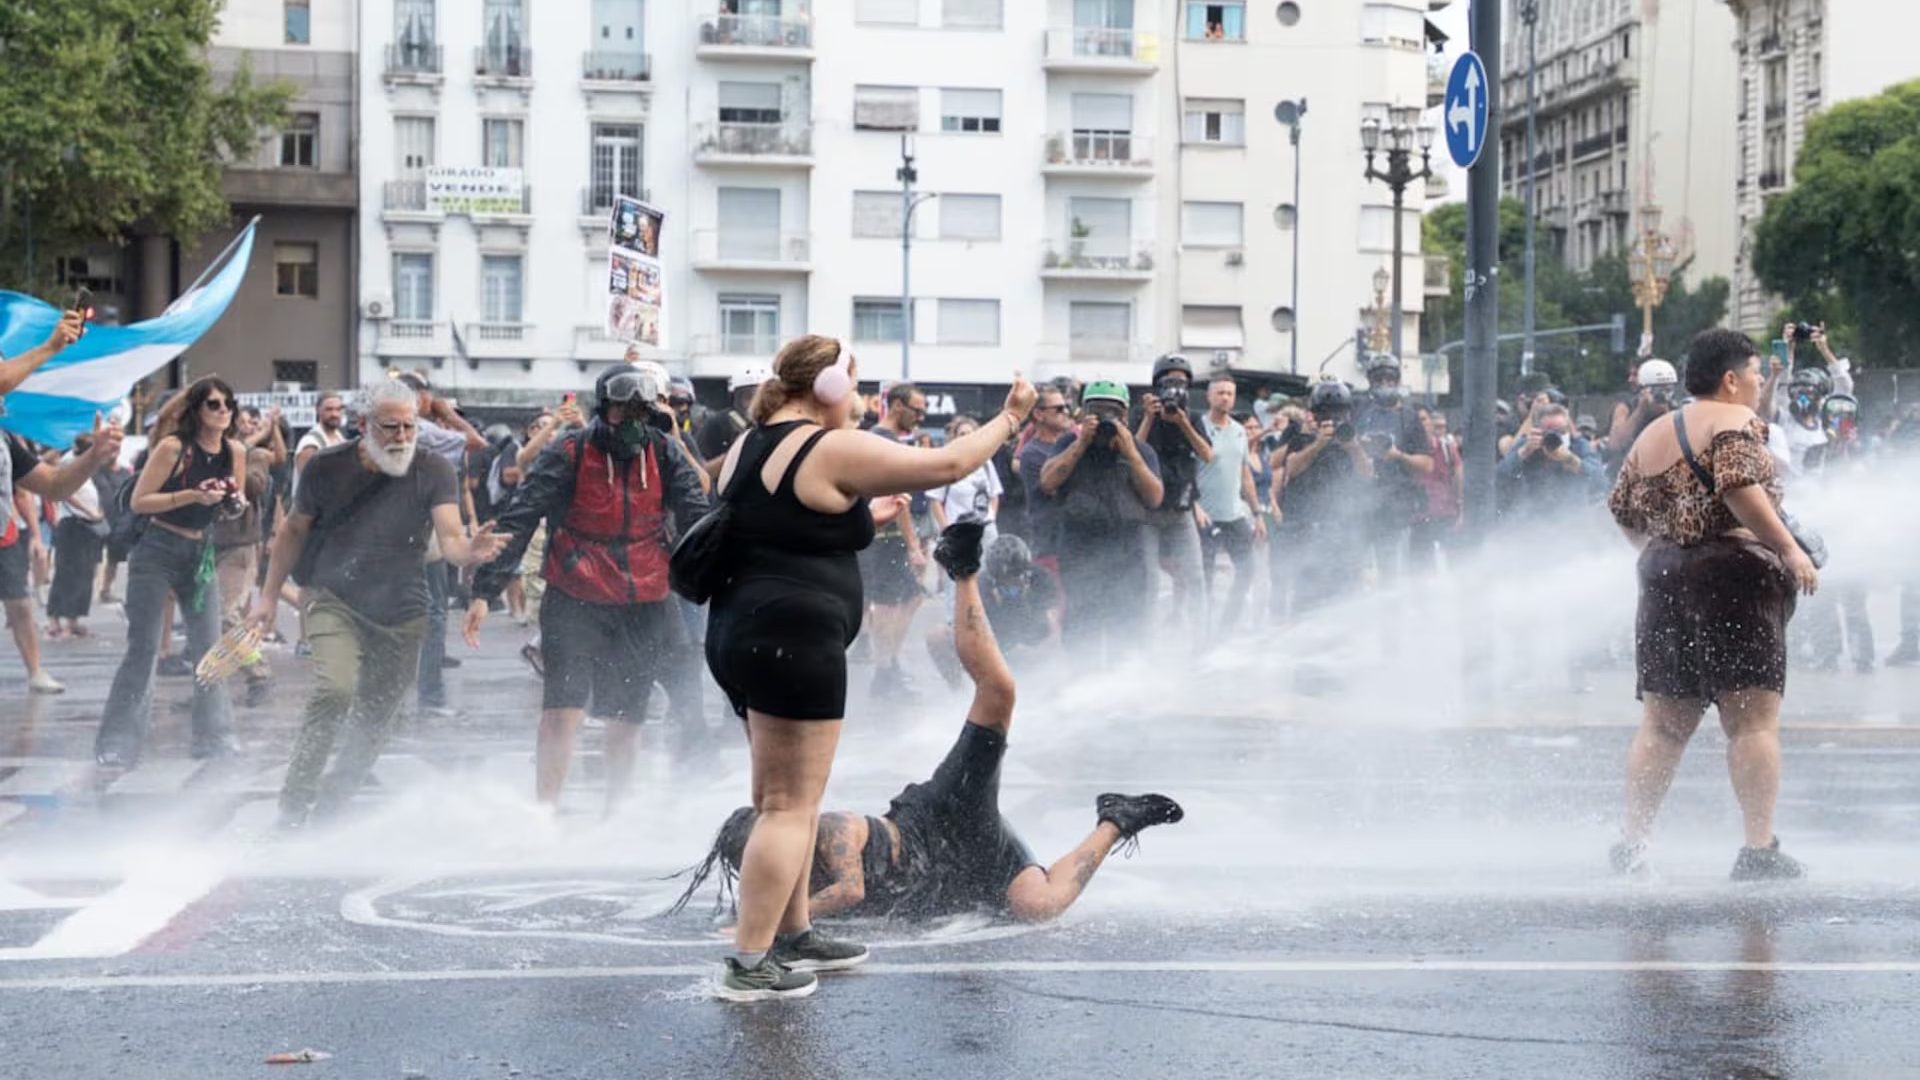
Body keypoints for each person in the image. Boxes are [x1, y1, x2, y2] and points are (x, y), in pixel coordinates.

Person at [703, 334, 1035, 1001]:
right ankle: (748, 965)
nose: (856, 398)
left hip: (742, 631)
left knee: (787, 799)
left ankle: (794, 932)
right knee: (788, 808)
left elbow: (786, 520)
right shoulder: (827, 445)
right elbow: (949, 464)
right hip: (794, 642)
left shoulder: (748, 444)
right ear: (826, 386)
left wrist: (861, 514)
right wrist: (1012, 417)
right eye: (852, 383)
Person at [683, 522, 1180, 947]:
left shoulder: (828, 829)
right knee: (1036, 905)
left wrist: (763, 925)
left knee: (999, 693)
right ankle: (1119, 816)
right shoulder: (794, 884)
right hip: (954, 882)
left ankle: (962, 570)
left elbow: (851, 891)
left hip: (943, 815)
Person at [1606, 328, 1819, 881]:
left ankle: (1631, 844)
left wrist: (1663, 552)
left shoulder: (1653, 431)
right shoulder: (1734, 423)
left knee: (1663, 724)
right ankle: (1757, 851)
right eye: (1753, 373)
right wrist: (1790, 549)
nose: (1756, 383)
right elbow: (1737, 486)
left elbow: (1622, 510)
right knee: (1751, 723)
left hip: (1662, 576)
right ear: (1730, 379)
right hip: (1734, 577)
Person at [249, 380, 505, 829]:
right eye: (391, 428)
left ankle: (329, 811)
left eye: (410, 427)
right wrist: (268, 597)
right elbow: (292, 531)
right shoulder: (324, 467)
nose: (403, 437)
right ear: (364, 425)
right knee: (336, 690)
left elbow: (449, 537)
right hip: (334, 597)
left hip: (403, 609)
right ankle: (293, 806)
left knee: (375, 721)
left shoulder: (434, 469)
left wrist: (469, 552)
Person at [464, 364, 711, 812]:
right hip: (575, 593)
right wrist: (485, 590)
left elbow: (697, 512)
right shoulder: (570, 451)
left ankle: (614, 814)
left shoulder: (664, 451)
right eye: (622, 411)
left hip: (645, 597)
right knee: (563, 708)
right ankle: (544, 810)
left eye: (641, 410)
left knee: (626, 716)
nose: (631, 421)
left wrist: (715, 578)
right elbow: (522, 515)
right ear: (604, 409)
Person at [94, 378, 250, 767]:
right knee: (144, 647)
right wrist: (192, 495)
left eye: (228, 403)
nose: (223, 410)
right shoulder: (173, 447)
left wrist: (232, 503)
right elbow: (140, 500)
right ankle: (116, 740)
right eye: (213, 403)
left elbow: (233, 504)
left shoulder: (236, 451)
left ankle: (216, 736)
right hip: (158, 549)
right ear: (197, 409)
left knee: (209, 648)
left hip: (201, 552)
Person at [1039, 381, 1164, 662]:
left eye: (1113, 412)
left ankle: (1123, 687)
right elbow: (1048, 481)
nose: (1106, 418)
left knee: (1128, 626)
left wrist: (1130, 452)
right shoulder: (1069, 443)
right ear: (1084, 414)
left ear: (1125, 415)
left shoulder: (1141, 451)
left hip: (1128, 553)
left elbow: (1155, 497)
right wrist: (1082, 442)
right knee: (1082, 623)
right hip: (1080, 551)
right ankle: (1083, 685)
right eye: (1097, 411)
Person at [860, 382, 932, 695]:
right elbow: (897, 494)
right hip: (884, 537)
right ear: (898, 405)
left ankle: (890, 664)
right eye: (917, 410)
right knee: (888, 604)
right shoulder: (882, 439)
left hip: (887, 537)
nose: (921, 416)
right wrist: (914, 546)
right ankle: (884, 671)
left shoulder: (885, 439)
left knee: (912, 597)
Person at [1277, 381, 1374, 614]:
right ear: (1315, 414)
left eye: (1339, 412)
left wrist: (1353, 447)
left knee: (1344, 588)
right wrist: (1319, 443)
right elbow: (1291, 469)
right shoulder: (1301, 438)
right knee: (1307, 587)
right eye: (1327, 412)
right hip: (1306, 524)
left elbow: (1367, 473)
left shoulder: (1352, 440)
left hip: (1341, 524)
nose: (1333, 417)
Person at [1136, 354, 1212, 637]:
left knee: (1196, 576)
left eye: (1181, 382)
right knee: (1150, 580)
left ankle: (1200, 636)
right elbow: (1132, 451)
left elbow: (1206, 453)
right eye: (1169, 381)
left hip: (1181, 511)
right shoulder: (1142, 413)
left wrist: (1182, 423)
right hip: (1147, 512)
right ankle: (1146, 639)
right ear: (1156, 385)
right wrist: (1147, 417)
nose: (1174, 388)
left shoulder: (1192, 418)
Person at [1194, 377, 1264, 637]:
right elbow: (1187, 470)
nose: (1225, 398)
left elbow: (1244, 473)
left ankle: (1226, 627)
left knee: (1248, 571)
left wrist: (1257, 514)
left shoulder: (1238, 430)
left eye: (1230, 394)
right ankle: (1203, 631)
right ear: (1210, 397)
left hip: (1234, 514)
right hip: (1206, 515)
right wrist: (1194, 505)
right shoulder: (1198, 427)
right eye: (1220, 393)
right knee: (1206, 578)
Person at [45, 434, 110, 640]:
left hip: (88, 526)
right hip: (73, 523)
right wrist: (89, 511)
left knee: (85, 573)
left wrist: (95, 511)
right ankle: (55, 619)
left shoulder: (89, 464)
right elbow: (65, 492)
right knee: (66, 572)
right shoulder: (68, 462)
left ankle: (74, 620)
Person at [927, 415, 1003, 541]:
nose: (966, 437)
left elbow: (994, 494)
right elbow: (935, 501)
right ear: (955, 438)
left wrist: (991, 517)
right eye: (962, 434)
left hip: (985, 531)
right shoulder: (946, 462)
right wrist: (946, 529)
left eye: (970, 433)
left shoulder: (986, 463)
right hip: (957, 531)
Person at [696, 364, 771, 478]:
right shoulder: (718, 424)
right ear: (736, 399)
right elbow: (700, 474)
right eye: (748, 397)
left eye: (761, 397)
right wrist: (736, 452)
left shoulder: (778, 425)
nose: (755, 404)